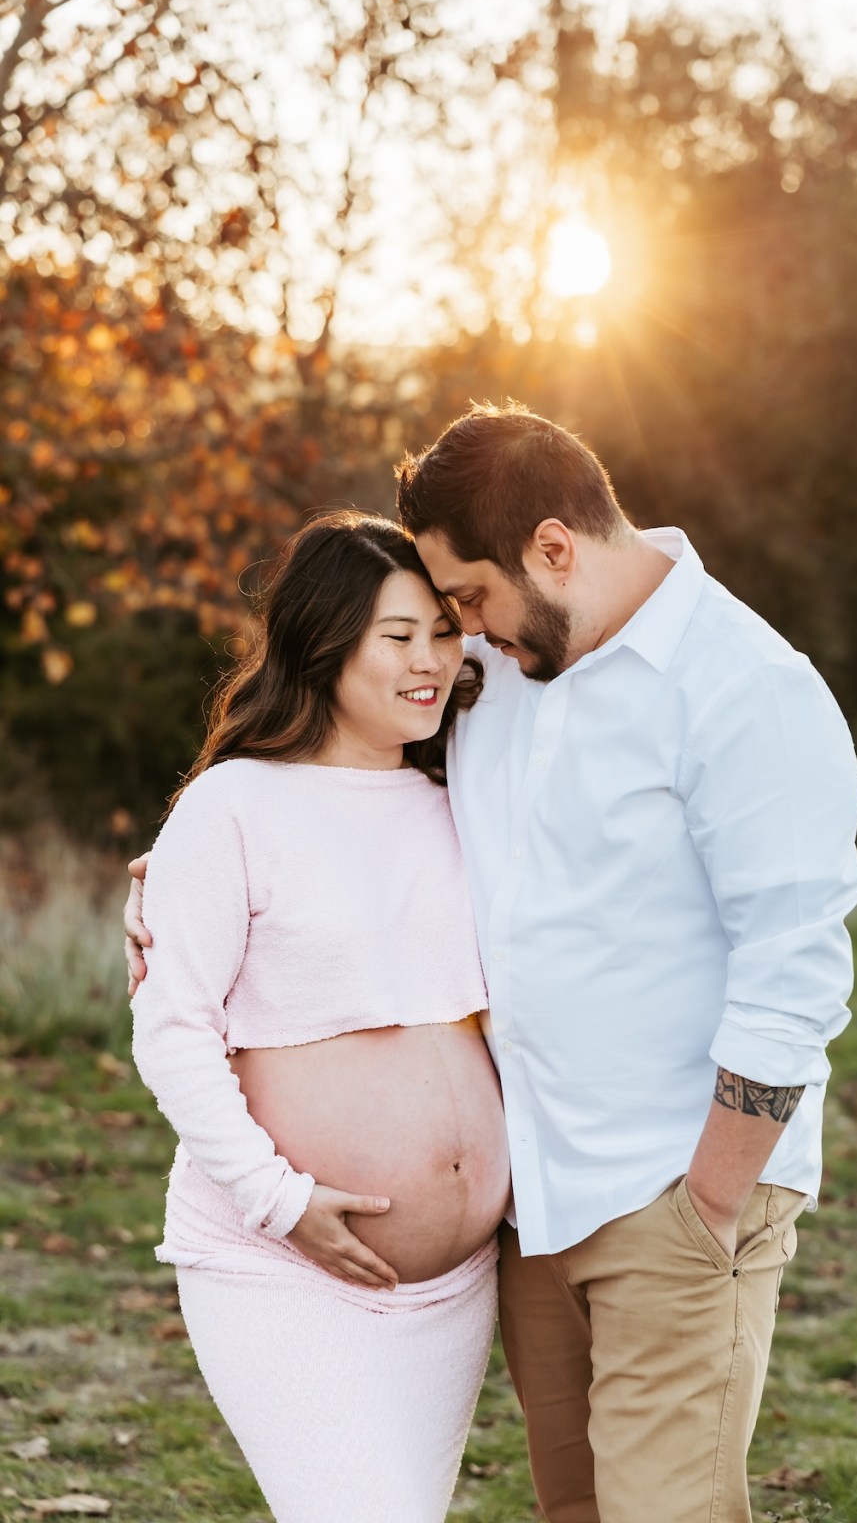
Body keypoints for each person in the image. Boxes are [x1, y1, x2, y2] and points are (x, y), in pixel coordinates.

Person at [128, 403, 857, 1523]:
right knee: (572, 1506)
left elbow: (795, 978)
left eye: (465, 604)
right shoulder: (499, 667)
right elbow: (320, 809)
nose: (456, 636)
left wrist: (709, 1204)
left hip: (672, 1187)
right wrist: (161, 893)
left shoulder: (745, 691)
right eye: (436, 618)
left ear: (555, 549)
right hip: (535, 1203)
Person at [126, 511, 511, 1523]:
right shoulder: (234, 806)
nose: (430, 660)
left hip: (452, 1283)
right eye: (398, 636)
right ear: (324, 643)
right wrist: (278, 1200)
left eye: (442, 629)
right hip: (283, 1264)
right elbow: (172, 1030)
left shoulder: (463, 793)